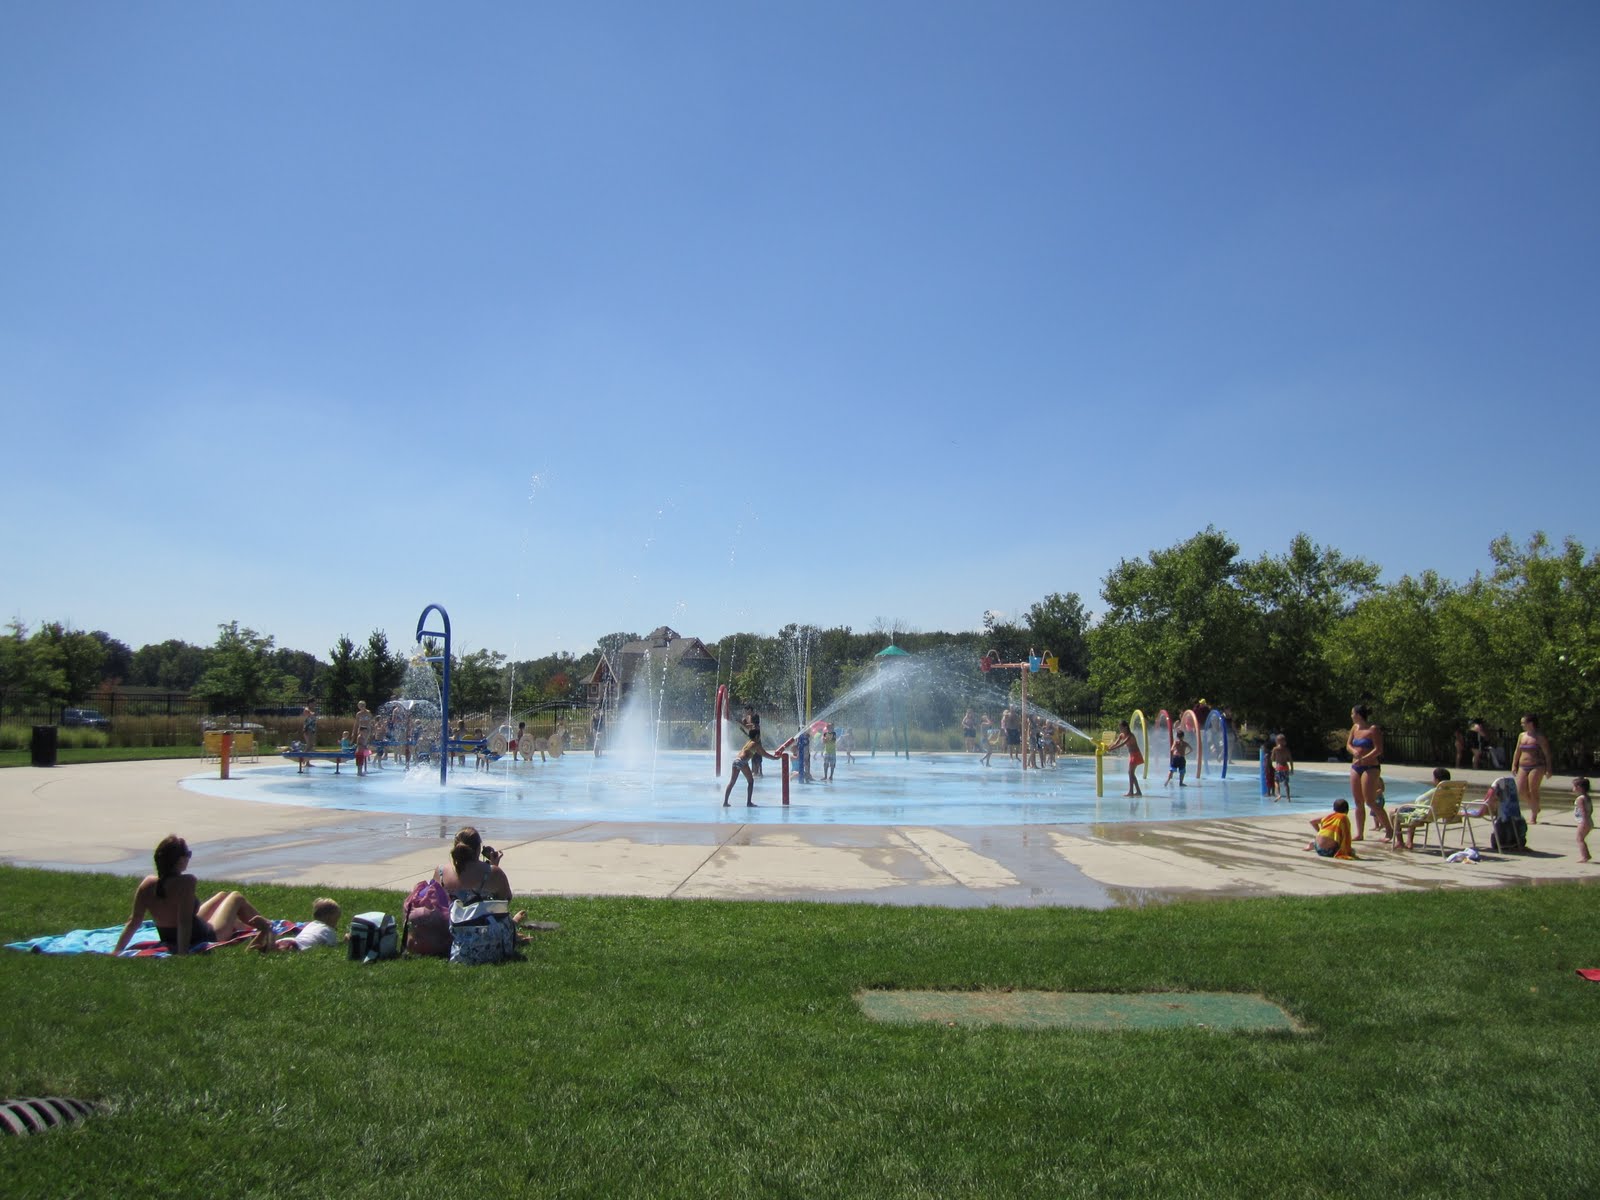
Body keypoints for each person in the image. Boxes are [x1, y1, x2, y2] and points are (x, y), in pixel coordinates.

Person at [111, 835, 274, 955]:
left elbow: (134, 921)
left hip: (171, 934)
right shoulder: (186, 882)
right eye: (187, 854)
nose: (189, 858)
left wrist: (117, 950)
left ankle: (246, 927)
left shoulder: (147, 884)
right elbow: (184, 922)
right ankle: (267, 929)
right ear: (179, 861)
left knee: (222, 895)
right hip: (204, 935)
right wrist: (183, 954)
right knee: (236, 897)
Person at [440, 827, 516, 964]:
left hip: (450, 933)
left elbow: (438, 903)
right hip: (484, 932)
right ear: (477, 850)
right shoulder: (493, 873)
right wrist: (494, 866)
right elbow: (505, 900)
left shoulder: (441, 872)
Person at [1345, 705, 1392, 841]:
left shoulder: (1373, 729)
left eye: (1352, 713)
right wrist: (1354, 752)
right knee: (1358, 801)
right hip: (1355, 766)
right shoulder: (1354, 728)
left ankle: (1389, 830)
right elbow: (1348, 745)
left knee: (1370, 801)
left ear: (1359, 715)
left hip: (1370, 767)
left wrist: (1365, 758)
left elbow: (1378, 749)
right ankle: (1360, 833)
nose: (1351, 716)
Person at [1390, 768, 1451, 852]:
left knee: (1393, 812)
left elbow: (1419, 800)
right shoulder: (1451, 792)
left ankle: (1400, 841)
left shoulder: (1435, 791)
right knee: (1414, 812)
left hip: (1426, 814)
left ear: (1437, 780)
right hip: (1437, 814)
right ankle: (1409, 841)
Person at [723, 721, 782, 807]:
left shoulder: (749, 742)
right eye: (759, 736)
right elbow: (765, 754)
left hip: (736, 761)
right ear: (757, 736)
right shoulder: (755, 744)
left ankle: (725, 802)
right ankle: (749, 802)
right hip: (742, 762)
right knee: (750, 782)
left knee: (732, 782)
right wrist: (776, 758)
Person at [1511, 713, 1552, 824]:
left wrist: (1549, 769)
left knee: (1532, 789)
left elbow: (1547, 753)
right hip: (1523, 766)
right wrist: (1514, 764)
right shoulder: (1522, 736)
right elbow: (1517, 751)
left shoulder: (1539, 737)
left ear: (1531, 723)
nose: (1522, 725)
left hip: (1537, 765)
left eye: (1524, 723)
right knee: (1520, 790)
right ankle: (1535, 807)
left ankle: (1533, 816)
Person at [272, 897, 342, 951]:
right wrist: (344, 942)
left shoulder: (311, 924)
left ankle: (269, 942)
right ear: (330, 918)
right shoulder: (329, 930)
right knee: (287, 950)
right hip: (299, 946)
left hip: (290, 940)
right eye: (336, 919)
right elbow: (333, 946)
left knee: (275, 947)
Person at [1106, 721, 1143, 797]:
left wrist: (1111, 749)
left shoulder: (1130, 736)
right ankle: (1138, 791)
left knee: (1130, 772)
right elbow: (1116, 743)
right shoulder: (1121, 735)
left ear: (1125, 727)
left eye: (1121, 727)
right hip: (1132, 755)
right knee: (1131, 773)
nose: (1120, 729)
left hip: (1136, 755)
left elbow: (1122, 744)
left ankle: (1131, 792)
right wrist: (1109, 747)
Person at [1572, 777, 1592, 864]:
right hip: (1588, 820)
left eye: (1573, 787)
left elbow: (1583, 810)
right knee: (1581, 838)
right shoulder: (1587, 797)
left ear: (1579, 787)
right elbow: (1591, 809)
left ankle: (1584, 857)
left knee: (1579, 839)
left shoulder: (1580, 799)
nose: (1573, 789)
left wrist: (1584, 821)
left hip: (1583, 822)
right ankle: (1587, 855)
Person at [1270, 734, 1295, 802]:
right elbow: (1290, 760)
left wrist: (1272, 761)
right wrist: (1292, 769)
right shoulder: (1287, 749)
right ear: (1284, 741)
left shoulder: (1275, 749)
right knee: (1286, 783)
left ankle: (1278, 795)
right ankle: (1288, 797)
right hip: (1286, 767)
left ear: (1277, 741)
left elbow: (1272, 759)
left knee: (1276, 781)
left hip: (1279, 767)